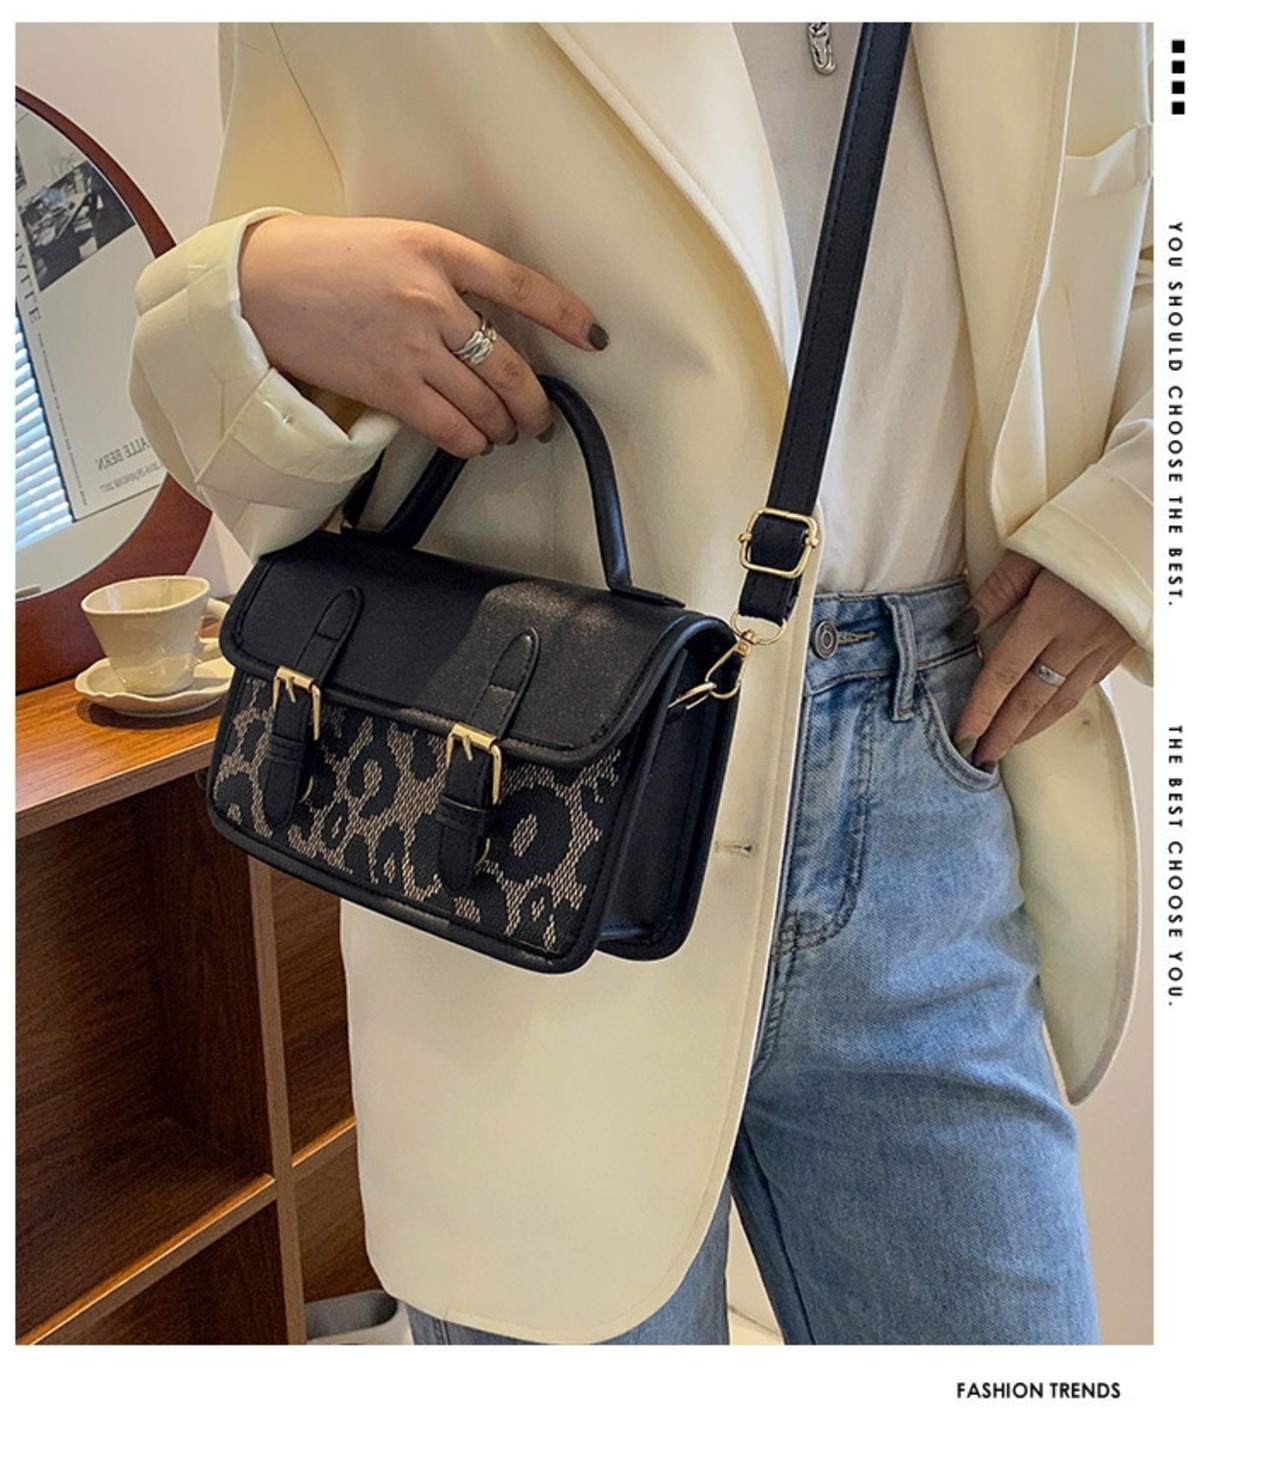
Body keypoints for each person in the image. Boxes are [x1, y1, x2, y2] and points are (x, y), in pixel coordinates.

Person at [130, 21, 1152, 1344]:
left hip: (935, 783)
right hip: (526, 800)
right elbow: (246, 476)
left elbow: (1161, 252)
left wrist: (1141, 516)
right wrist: (254, 292)